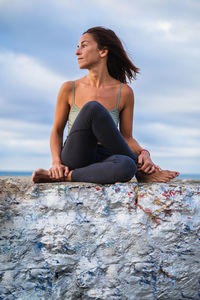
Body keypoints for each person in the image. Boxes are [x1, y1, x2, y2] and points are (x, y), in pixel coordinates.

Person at [32, 26, 179, 184]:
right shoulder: (69, 88)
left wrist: (144, 153)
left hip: (105, 157)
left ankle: (66, 177)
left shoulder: (124, 92)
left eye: (84, 45)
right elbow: (57, 130)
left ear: (103, 52)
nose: (77, 52)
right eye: (78, 46)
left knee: (127, 165)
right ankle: (142, 173)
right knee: (93, 108)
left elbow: (126, 137)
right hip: (76, 154)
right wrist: (56, 163)